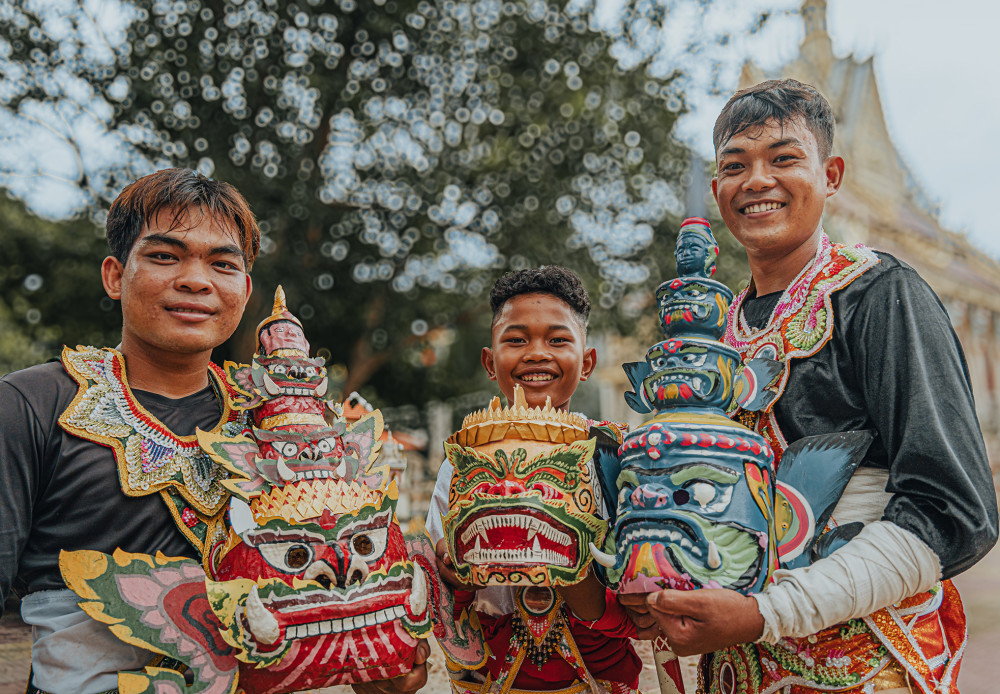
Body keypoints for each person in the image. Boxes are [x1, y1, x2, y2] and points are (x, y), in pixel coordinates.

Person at [620, 79, 999, 693]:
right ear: (717, 191)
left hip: (866, 664)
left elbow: (951, 509)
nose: (757, 181)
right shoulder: (714, 340)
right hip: (738, 670)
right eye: (735, 166)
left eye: (784, 158)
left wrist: (767, 613)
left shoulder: (879, 295)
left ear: (831, 176)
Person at [0, 168, 262, 693]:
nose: (196, 280)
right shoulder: (31, 404)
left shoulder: (274, 423)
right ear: (115, 275)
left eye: (223, 264)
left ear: (245, 289)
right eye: (165, 256)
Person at [425, 266, 642, 693]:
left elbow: (639, 598)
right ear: (490, 362)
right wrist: (456, 567)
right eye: (516, 340)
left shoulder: (613, 453)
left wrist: (578, 577)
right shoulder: (464, 457)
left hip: (600, 672)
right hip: (493, 675)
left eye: (558, 340)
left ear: (587, 362)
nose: (536, 354)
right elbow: (446, 596)